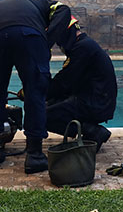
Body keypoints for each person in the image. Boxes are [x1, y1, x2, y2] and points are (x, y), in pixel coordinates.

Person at [0, 0, 71, 173]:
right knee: (35, 94)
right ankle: (35, 156)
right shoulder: (49, 5)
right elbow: (65, 11)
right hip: (29, 35)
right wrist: (46, 41)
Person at [45, 19, 116, 151]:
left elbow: (64, 81)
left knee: (43, 116)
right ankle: (88, 130)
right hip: (93, 98)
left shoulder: (82, 48)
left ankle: (94, 131)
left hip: (95, 102)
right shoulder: (83, 44)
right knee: (50, 103)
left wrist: (41, 93)